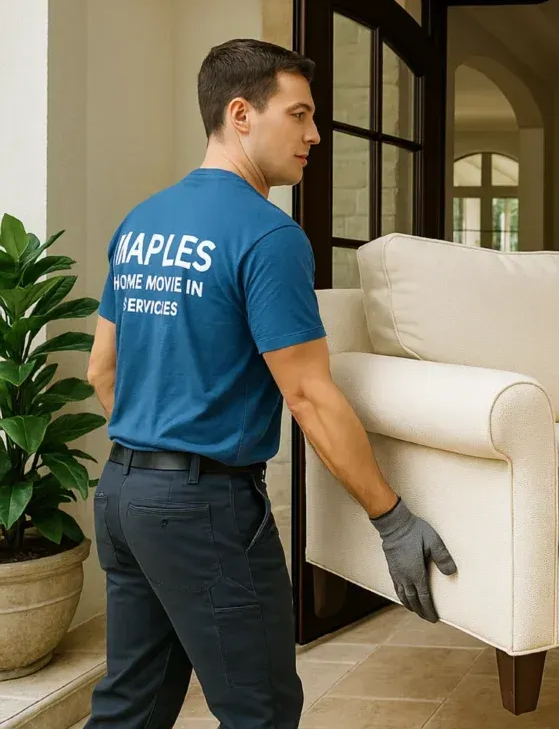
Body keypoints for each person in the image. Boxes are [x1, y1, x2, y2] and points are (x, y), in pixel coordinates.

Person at [83, 38, 457, 728]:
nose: (315, 135)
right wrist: (391, 516)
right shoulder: (267, 235)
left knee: (131, 708)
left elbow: (100, 370)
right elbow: (309, 395)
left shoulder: (140, 223)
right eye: (301, 114)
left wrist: (155, 458)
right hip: (204, 508)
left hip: (124, 495)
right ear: (241, 114)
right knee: (261, 710)